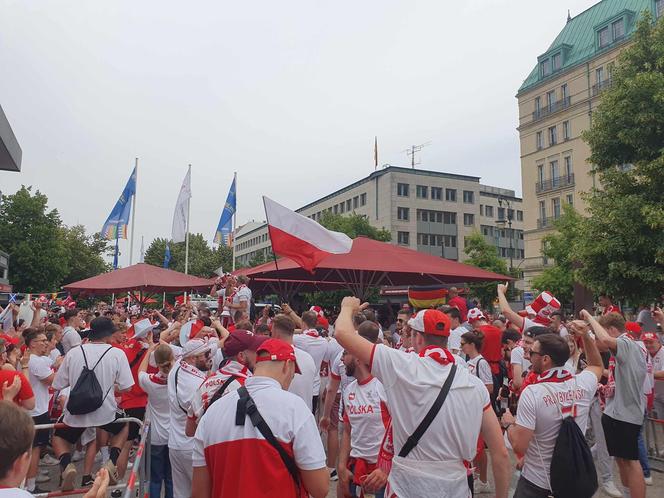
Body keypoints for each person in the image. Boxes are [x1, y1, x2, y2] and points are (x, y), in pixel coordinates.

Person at [335, 298, 509, 497]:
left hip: (407, 487)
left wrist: (347, 307)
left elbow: (342, 333)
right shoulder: (474, 385)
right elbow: (500, 453)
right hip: (456, 487)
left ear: (417, 338)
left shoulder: (401, 366)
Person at [192, 338, 329, 498]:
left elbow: (199, 492)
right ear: (287, 366)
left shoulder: (212, 412)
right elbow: (320, 488)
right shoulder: (294, 408)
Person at [501, 319, 603, 498]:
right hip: (573, 479)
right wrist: (585, 335)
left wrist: (509, 424)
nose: (527, 356)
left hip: (538, 483)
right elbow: (596, 365)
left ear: (546, 359)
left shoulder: (533, 393)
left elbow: (519, 445)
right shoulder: (582, 383)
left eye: (532, 352)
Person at [52, 316, 134, 490]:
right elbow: (127, 387)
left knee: (58, 436)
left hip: (76, 412)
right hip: (105, 413)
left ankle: (66, 465)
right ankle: (111, 461)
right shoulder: (117, 353)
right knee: (125, 425)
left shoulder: (74, 352)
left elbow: (58, 384)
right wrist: (112, 384)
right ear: (109, 335)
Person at [592, 312, 647, 498]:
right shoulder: (627, 346)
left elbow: (606, 340)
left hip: (627, 414)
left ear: (612, 330)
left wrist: (588, 317)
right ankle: (627, 494)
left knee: (631, 461)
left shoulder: (627, 343)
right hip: (615, 412)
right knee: (622, 460)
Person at [338, 321, 389, 498]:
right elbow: (347, 431)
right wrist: (342, 467)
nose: (342, 359)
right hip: (356, 467)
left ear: (358, 357)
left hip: (382, 472)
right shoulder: (349, 390)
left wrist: (386, 467)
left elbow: (398, 428)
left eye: (345, 353)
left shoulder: (382, 386)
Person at [185, 329, 267, 436]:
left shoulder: (208, 382)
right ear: (241, 356)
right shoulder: (252, 386)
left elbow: (190, 431)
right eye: (255, 350)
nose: (258, 354)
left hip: (211, 447)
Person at [168, 338, 214, 498]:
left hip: (175, 444)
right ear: (193, 358)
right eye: (206, 354)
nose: (210, 356)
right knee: (201, 493)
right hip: (192, 446)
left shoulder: (176, 368)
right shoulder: (197, 384)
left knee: (180, 493)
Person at [138, 342, 174, 498]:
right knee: (171, 479)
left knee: (154, 479)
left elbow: (140, 371)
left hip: (155, 437)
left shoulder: (149, 381)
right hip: (174, 435)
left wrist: (149, 351)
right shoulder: (178, 380)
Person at [23, 329, 55, 494]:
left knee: (33, 449)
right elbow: (53, 380)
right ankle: (30, 486)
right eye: (42, 340)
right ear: (33, 343)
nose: (46, 342)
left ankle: (28, 483)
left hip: (35, 409)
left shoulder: (33, 360)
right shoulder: (35, 361)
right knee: (34, 450)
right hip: (36, 411)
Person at [270, 314, 317, 410]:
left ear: (275, 332)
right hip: (306, 415)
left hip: (285, 416)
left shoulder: (273, 359)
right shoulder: (308, 358)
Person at [293, 311, 329, 414]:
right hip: (315, 384)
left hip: (300, 386)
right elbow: (324, 363)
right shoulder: (324, 341)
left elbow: (285, 334)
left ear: (303, 323)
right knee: (311, 415)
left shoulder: (300, 339)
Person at [643, 332, 664, 418]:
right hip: (655, 396)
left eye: (651, 342)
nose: (648, 345)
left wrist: (646, 374)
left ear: (658, 342)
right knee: (659, 422)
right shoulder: (643, 353)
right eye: (646, 342)